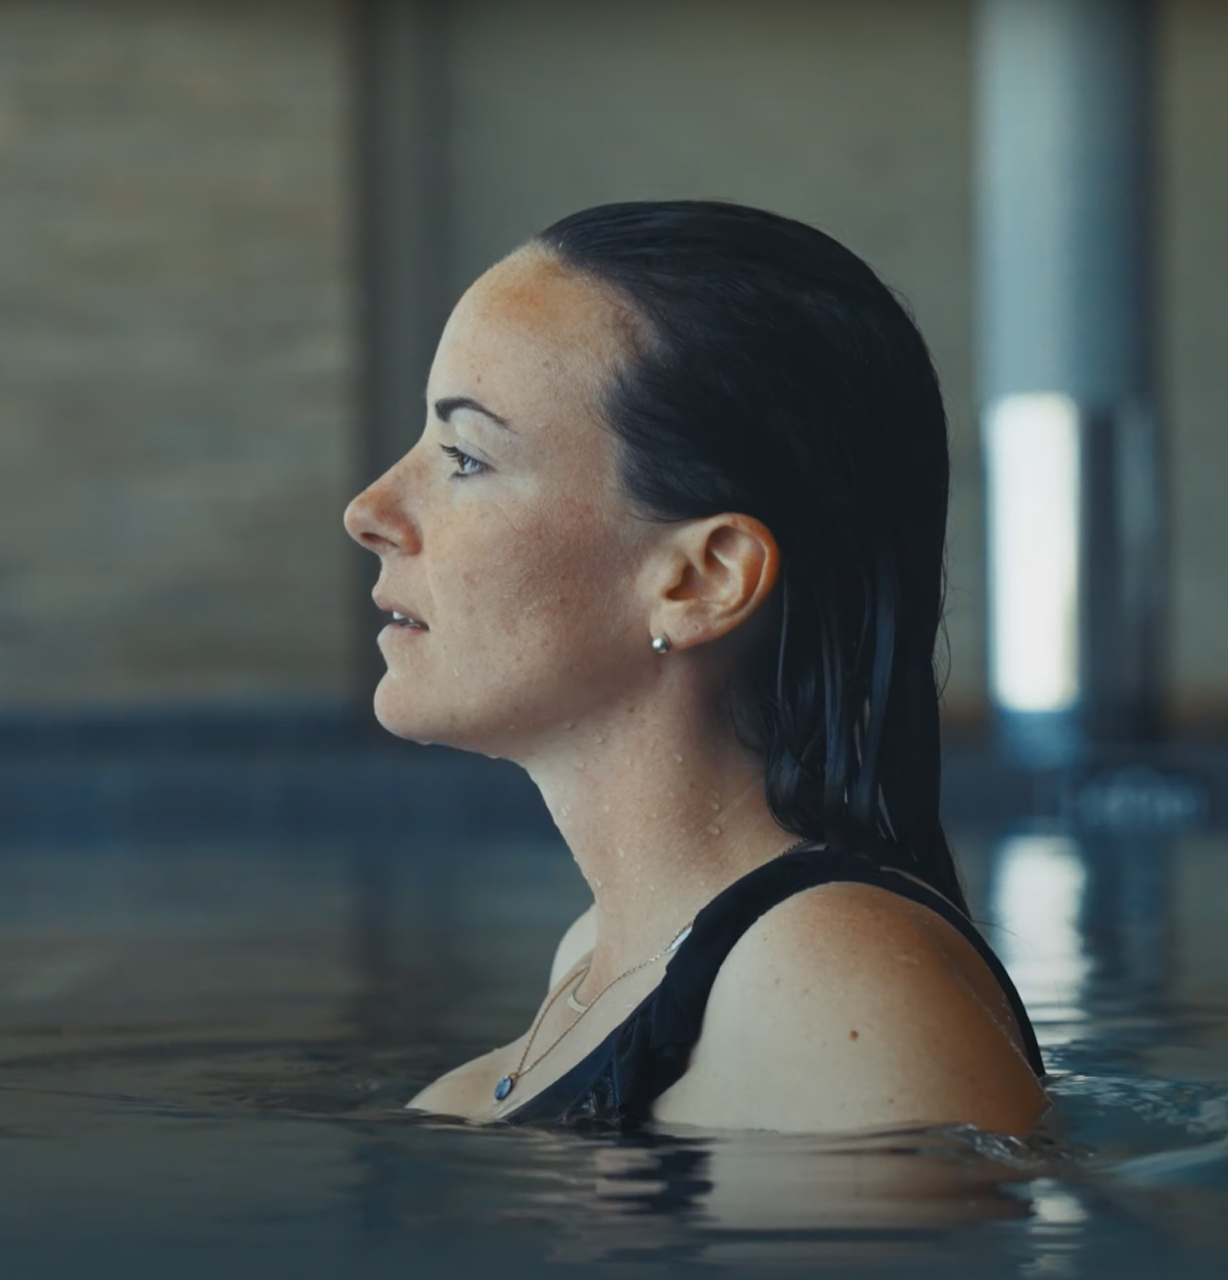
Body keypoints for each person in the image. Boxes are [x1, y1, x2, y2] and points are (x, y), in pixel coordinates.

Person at [342, 201, 1047, 1133]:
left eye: (466, 456)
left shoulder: (829, 992)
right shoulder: (611, 960)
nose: (370, 509)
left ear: (703, 578)